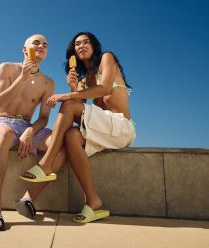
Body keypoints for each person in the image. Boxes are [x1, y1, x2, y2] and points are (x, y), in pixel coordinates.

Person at [20, 32, 136, 223]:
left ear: (94, 46)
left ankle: (46, 164)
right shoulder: (83, 80)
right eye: (77, 44)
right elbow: (79, 116)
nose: (81, 46)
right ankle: (92, 201)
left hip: (121, 128)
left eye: (86, 42)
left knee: (70, 103)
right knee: (72, 135)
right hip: (102, 132)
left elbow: (105, 89)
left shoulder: (107, 58)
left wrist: (68, 96)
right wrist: (74, 88)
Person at [0, 34, 67, 231]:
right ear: (24, 49)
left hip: (29, 127)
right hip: (3, 122)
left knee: (59, 145)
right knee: (4, 135)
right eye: (36, 42)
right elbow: (0, 103)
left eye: (45, 44)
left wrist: (29, 131)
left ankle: (28, 199)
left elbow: (44, 118)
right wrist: (22, 78)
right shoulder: (7, 68)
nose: (41, 46)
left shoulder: (48, 83)